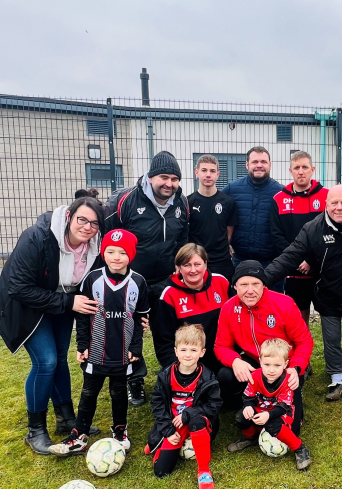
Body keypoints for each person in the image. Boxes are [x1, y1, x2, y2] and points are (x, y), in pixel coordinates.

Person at [0, 191, 104, 455]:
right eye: (82, 220)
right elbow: (17, 286)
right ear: (69, 216)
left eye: (94, 223)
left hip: (61, 305)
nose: (88, 227)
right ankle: (35, 430)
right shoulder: (37, 237)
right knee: (46, 361)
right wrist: (68, 302)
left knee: (60, 359)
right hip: (27, 307)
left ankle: (65, 418)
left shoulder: (95, 244)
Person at [264, 185, 342, 406]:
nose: (339, 207)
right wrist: (262, 278)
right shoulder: (313, 228)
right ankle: (336, 379)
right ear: (326, 204)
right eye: (334, 203)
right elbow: (289, 257)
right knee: (332, 339)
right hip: (328, 295)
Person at [48, 229, 149, 456]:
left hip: (122, 352)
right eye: (110, 251)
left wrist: (135, 347)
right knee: (89, 391)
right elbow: (83, 317)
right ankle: (79, 434)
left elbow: (140, 318)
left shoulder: (138, 282)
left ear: (131, 256)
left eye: (122, 253)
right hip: (96, 351)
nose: (116, 257)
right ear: (103, 253)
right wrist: (82, 345)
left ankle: (120, 430)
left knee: (118, 391)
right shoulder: (92, 279)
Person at [105, 150, 189, 407]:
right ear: (151, 177)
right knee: (131, 333)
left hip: (166, 280)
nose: (169, 184)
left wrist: (178, 267)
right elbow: (109, 241)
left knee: (168, 329)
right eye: (164, 177)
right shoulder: (125, 200)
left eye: (174, 179)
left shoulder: (181, 202)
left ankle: (175, 374)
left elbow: (183, 238)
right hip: (132, 281)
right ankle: (135, 381)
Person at [214, 261, 312, 434]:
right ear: (235, 286)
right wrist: (235, 361)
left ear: (264, 285)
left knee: (291, 430)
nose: (250, 290)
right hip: (255, 362)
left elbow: (304, 341)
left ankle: (283, 398)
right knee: (225, 375)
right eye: (244, 284)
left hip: (284, 365)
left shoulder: (284, 304)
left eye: (255, 284)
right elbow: (221, 346)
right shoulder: (229, 308)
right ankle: (249, 403)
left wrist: (295, 368)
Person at [146, 324, 222, 489]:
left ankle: (204, 472)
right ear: (176, 351)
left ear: (202, 352)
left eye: (194, 350)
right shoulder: (165, 376)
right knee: (161, 471)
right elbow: (158, 406)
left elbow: (214, 405)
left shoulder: (208, 377)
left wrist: (188, 413)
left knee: (195, 419)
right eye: (184, 349)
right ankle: (158, 442)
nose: (188, 355)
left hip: (198, 422)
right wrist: (167, 430)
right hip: (175, 423)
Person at [229, 338, 312, 470]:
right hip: (261, 410)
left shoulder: (288, 380)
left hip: (281, 413)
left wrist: (268, 415)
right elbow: (248, 396)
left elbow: (284, 406)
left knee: (274, 424)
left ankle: (299, 448)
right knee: (241, 417)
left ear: (285, 364)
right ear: (260, 361)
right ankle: (251, 438)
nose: (271, 370)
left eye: (277, 365)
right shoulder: (255, 376)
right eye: (267, 365)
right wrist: (248, 406)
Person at [269, 150, 328, 325]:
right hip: (294, 270)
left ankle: (331, 352)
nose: (301, 171)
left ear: (313, 169)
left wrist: (310, 260)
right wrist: (297, 260)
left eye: (304, 167)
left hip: (321, 267)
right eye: (297, 167)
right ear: (290, 171)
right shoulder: (278, 199)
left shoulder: (326, 196)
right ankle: (302, 351)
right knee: (298, 316)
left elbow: (329, 232)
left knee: (327, 315)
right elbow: (276, 234)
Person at [154, 243, 230, 374]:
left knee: (228, 379)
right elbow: (163, 341)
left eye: (197, 264)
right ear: (178, 268)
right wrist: (177, 369)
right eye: (187, 265)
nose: (193, 270)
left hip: (221, 356)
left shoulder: (221, 282)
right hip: (188, 362)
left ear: (205, 264)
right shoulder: (169, 294)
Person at [222, 146, 284, 293]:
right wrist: (225, 243)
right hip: (239, 261)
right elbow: (218, 218)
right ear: (247, 164)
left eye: (263, 161)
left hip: (272, 263)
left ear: (270, 164)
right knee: (240, 305)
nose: (259, 165)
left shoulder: (281, 192)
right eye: (255, 161)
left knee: (273, 308)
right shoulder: (231, 190)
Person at [188, 154, 238, 281]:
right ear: (196, 172)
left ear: (218, 174)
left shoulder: (228, 202)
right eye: (204, 170)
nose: (208, 174)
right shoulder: (188, 202)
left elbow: (229, 232)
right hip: (196, 261)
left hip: (221, 261)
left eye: (212, 171)